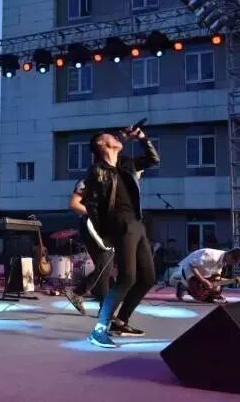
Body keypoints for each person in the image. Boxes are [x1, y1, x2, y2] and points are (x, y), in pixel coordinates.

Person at [72, 125, 160, 348]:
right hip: (121, 226)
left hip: (136, 224)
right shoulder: (96, 172)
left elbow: (153, 159)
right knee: (127, 278)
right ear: (101, 144)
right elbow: (87, 205)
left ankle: (121, 321)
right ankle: (99, 330)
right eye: (110, 136)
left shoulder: (125, 165)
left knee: (148, 278)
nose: (116, 136)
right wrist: (105, 232)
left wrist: (142, 137)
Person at [66, 174, 114, 313]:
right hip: (92, 228)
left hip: (105, 230)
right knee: (103, 267)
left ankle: (102, 307)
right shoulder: (86, 181)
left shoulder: (114, 183)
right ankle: (79, 293)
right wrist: (95, 214)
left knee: (105, 268)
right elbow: (74, 204)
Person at [175, 247, 240, 303]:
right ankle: (183, 286)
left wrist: (234, 280)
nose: (234, 264)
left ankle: (188, 288)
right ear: (230, 256)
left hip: (203, 274)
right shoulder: (212, 255)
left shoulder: (223, 262)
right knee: (200, 293)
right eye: (235, 262)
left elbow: (217, 279)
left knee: (216, 288)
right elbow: (192, 266)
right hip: (189, 272)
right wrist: (202, 280)